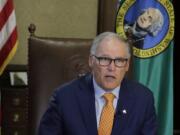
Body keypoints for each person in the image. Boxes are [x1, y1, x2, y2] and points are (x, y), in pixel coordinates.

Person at [38, 32, 157, 135]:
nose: (112, 67)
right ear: (91, 61)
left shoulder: (143, 100)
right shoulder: (64, 98)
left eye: (119, 61)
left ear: (127, 65)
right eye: (104, 59)